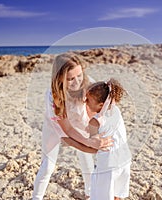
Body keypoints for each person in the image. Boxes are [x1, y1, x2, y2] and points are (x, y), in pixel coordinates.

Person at [32, 53, 113, 200]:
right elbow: (67, 129)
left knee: (87, 162)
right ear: (60, 78)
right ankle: (36, 198)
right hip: (55, 129)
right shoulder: (53, 96)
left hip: (81, 125)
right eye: (70, 79)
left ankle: (90, 194)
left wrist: (93, 136)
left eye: (79, 75)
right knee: (47, 166)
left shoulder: (89, 84)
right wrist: (88, 142)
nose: (77, 82)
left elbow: (100, 109)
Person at [84, 79, 132, 200]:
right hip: (125, 160)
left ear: (101, 105)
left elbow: (93, 145)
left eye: (88, 100)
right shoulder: (116, 110)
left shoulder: (95, 121)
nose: (85, 102)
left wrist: (70, 140)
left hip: (108, 164)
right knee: (117, 195)